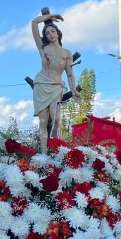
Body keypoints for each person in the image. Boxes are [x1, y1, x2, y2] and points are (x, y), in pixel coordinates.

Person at [31, 10, 81, 152]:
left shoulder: (66, 53)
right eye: (47, 33)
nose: (50, 34)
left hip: (56, 87)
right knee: (43, 121)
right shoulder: (43, 48)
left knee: (57, 120)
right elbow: (34, 23)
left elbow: (70, 74)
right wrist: (50, 17)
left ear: (58, 33)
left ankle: (55, 149)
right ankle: (44, 153)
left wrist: (74, 91)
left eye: (52, 31)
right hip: (41, 85)